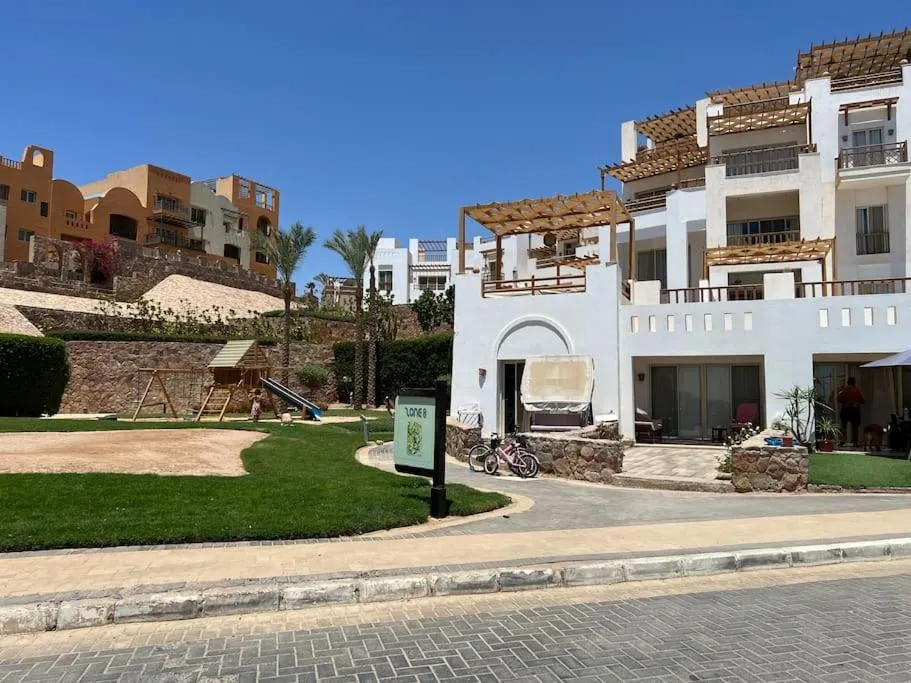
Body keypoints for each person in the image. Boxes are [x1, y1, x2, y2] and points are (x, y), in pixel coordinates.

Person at [837, 377, 864, 446]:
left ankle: (843, 441)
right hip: (855, 409)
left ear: (848, 382)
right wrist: (856, 402)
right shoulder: (858, 390)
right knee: (855, 427)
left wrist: (845, 401)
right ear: (854, 382)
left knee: (843, 426)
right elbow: (862, 400)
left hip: (846, 408)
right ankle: (855, 442)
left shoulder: (844, 390)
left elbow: (839, 398)